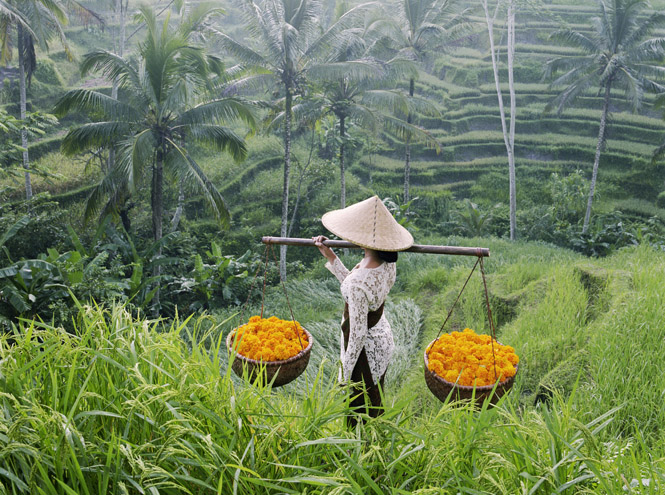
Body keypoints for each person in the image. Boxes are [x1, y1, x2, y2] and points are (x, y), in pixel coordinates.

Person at [312, 196, 414, 427]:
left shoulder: (360, 280)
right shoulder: (387, 263)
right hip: (382, 339)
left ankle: (362, 451)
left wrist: (344, 375)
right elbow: (355, 286)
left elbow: (357, 334)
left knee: (360, 409)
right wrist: (331, 256)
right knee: (374, 398)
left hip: (366, 349)